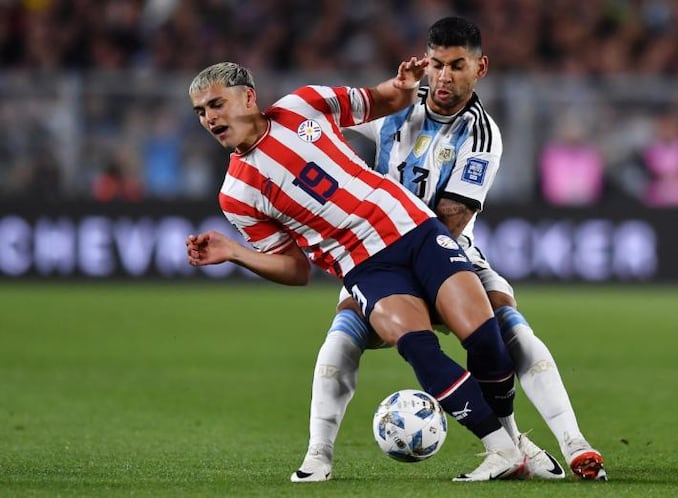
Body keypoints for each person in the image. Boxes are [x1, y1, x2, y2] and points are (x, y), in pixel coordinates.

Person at [291, 17, 607, 483]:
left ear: (480, 67)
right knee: (341, 338)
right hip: (378, 256)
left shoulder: (481, 134)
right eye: (436, 64)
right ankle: (318, 455)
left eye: (457, 66)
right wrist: (298, 138)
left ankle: (570, 443)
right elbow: (328, 115)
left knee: (507, 322)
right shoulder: (398, 106)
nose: (444, 76)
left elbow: (452, 219)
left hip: (448, 250)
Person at [186, 59, 531, 482]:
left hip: (413, 226)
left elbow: (383, 99)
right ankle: (501, 450)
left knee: (484, 336)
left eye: (216, 104)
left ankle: (517, 443)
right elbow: (295, 270)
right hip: (366, 266)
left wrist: (403, 87)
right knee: (419, 347)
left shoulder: (304, 104)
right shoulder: (236, 195)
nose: (209, 118)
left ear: (249, 97)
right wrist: (236, 253)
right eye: (201, 112)